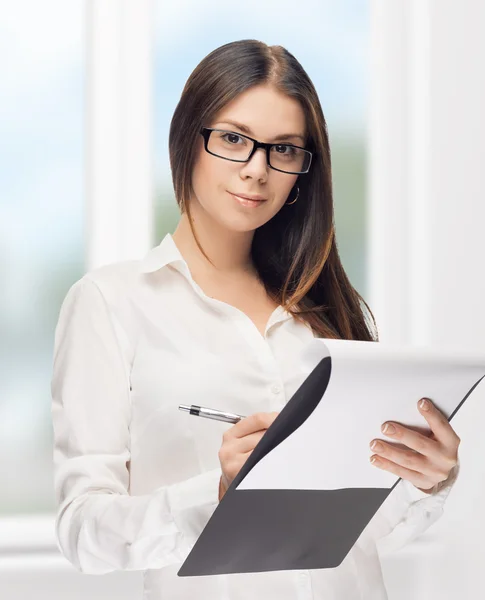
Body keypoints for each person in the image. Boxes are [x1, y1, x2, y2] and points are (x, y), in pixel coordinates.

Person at [51, 39, 460, 599]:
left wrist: (424, 480)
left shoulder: (326, 311)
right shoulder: (111, 301)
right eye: (234, 139)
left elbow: (363, 536)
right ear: (188, 138)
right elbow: (82, 531)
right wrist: (215, 494)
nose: (256, 170)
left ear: (302, 171)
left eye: (284, 150)